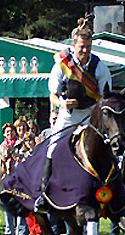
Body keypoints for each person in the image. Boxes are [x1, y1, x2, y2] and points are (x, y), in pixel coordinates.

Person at [35, 28, 112, 212]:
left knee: (107, 144)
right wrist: (62, 103)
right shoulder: (62, 65)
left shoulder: (100, 66)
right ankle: (44, 195)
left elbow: (105, 96)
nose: (85, 51)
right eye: (81, 47)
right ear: (73, 46)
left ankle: (113, 188)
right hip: (68, 115)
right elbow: (52, 95)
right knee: (52, 146)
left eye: (88, 46)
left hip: (92, 113)